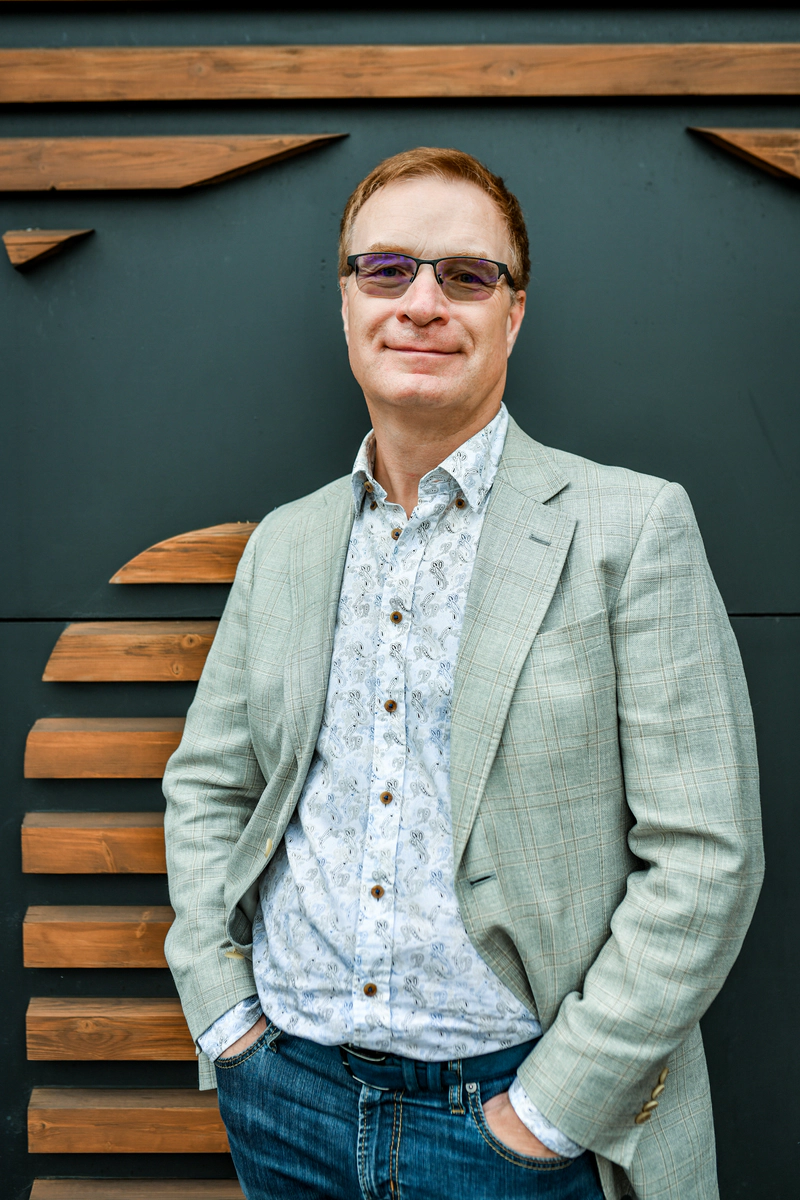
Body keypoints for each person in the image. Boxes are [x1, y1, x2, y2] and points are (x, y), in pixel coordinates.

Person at [163, 147, 763, 1200]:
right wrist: (226, 1016)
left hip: (514, 1127)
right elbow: (210, 786)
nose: (422, 303)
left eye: (466, 275)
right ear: (346, 303)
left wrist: (547, 1113)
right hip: (286, 1102)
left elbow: (707, 857)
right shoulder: (286, 542)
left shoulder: (631, 528)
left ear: (512, 313)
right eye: (386, 270)